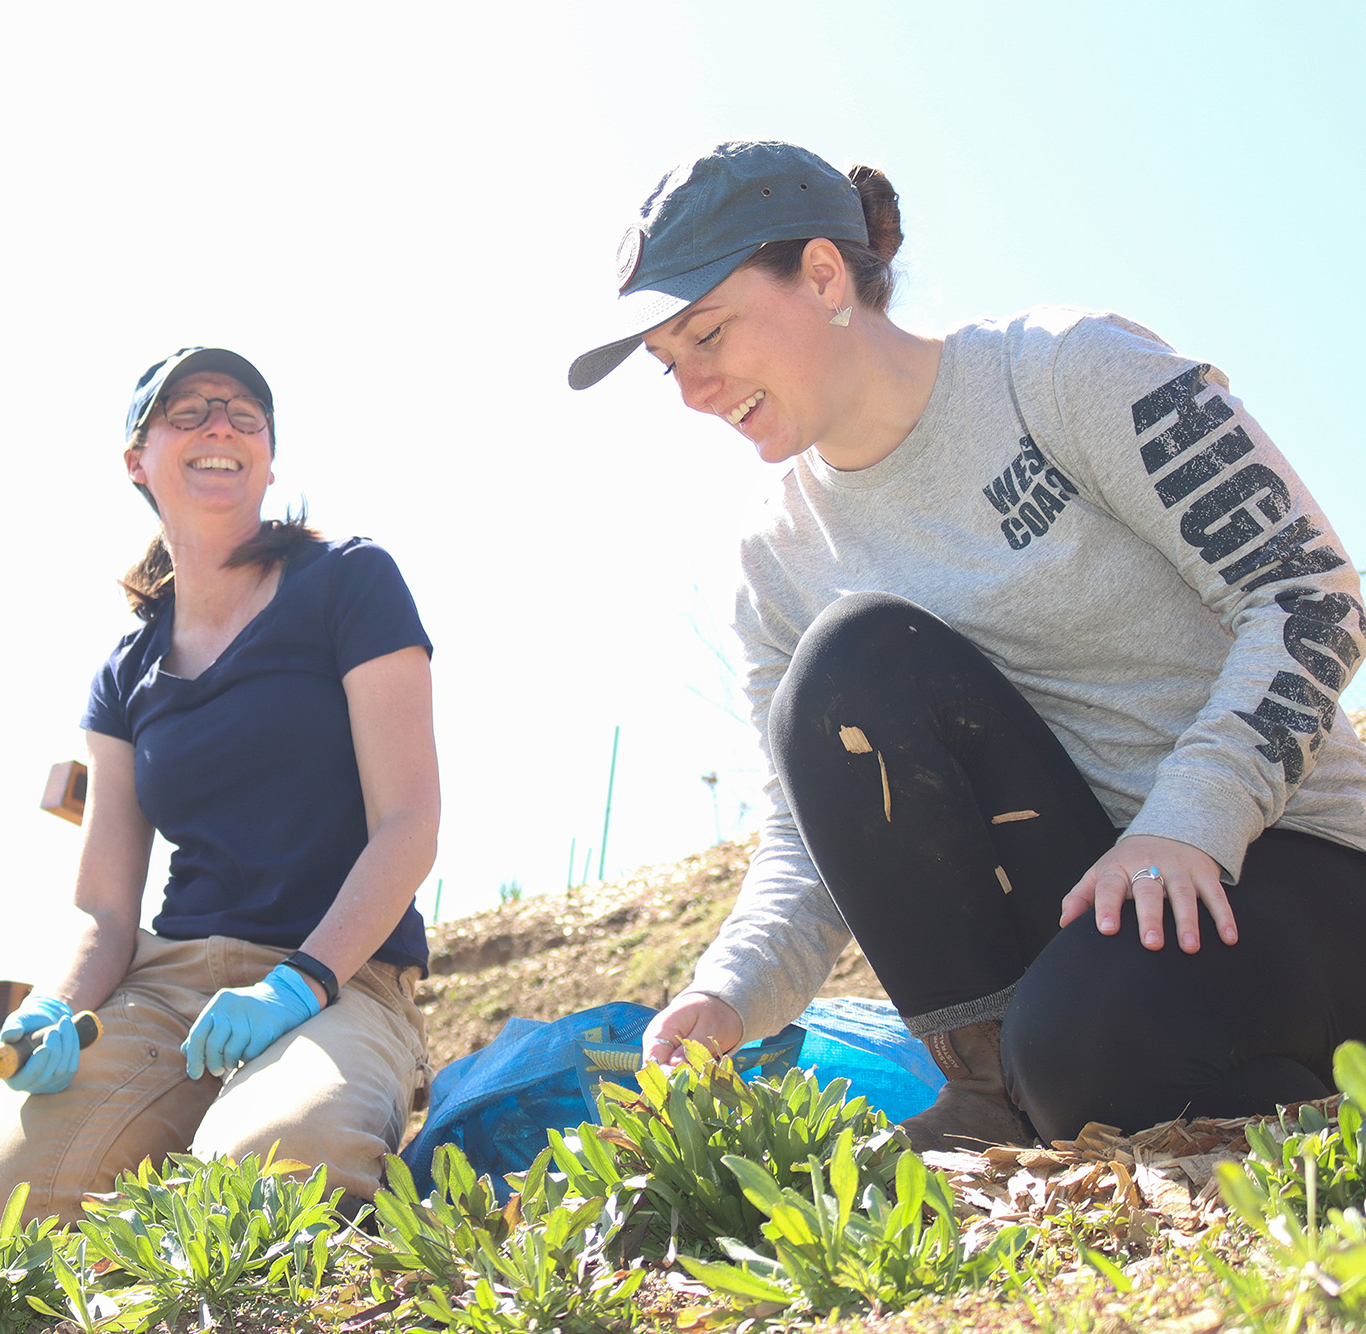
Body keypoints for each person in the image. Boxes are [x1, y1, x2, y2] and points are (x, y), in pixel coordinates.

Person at [568, 140, 1366, 1149]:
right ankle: (1002, 1084)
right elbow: (805, 832)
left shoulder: (1064, 369)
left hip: (1278, 860)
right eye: (668, 363)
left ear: (821, 275)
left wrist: (1185, 822)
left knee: (1087, 1047)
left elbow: (1307, 591)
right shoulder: (772, 560)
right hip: (1090, 922)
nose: (692, 388)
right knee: (846, 665)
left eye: (708, 334)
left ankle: (1110, 1069)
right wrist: (725, 991)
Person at [0, 347, 439, 1227]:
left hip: (341, 977)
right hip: (168, 990)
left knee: (277, 1170)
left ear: (269, 459)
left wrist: (299, 984)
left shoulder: (351, 582)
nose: (222, 427)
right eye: (191, 410)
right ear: (138, 460)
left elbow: (408, 822)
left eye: (246, 414)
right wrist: (57, 1010)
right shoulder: (125, 673)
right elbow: (102, 907)